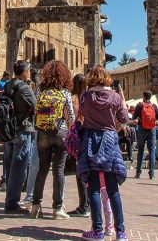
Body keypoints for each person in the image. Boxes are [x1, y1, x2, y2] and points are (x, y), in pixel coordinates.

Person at [77, 66, 129, 241]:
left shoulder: (86, 97)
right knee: (113, 189)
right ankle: (121, 232)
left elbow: (81, 115)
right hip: (109, 139)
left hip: (91, 138)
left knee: (93, 189)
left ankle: (97, 231)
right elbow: (124, 118)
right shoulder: (114, 97)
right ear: (107, 78)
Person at [30, 60, 75, 220]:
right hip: (60, 132)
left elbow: (35, 110)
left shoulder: (40, 92)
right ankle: (57, 208)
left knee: (42, 169)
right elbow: (71, 115)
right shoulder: (64, 93)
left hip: (42, 132)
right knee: (58, 170)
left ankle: (35, 205)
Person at [3, 60, 37, 214]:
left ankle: (9, 198)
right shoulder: (24, 87)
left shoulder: (8, 85)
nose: (29, 72)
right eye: (28, 70)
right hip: (23, 129)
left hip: (9, 129)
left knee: (10, 165)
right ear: (24, 71)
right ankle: (11, 202)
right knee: (19, 167)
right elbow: (36, 106)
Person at [68, 73, 90, 218]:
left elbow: (69, 118)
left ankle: (84, 205)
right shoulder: (89, 99)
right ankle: (89, 203)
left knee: (79, 172)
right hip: (89, 135)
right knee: (88, 171)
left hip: (77, 136)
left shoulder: (73, 99)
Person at [132, 90, 158, 180]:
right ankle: (151, 174)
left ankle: (138, 173)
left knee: (140, 151)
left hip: (141, 129)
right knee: (151, 151)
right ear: (150, 97)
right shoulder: (154, 106)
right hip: (152, 130)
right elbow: (157, 118)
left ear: (143, 96)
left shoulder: (139, 105)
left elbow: (134, 117)